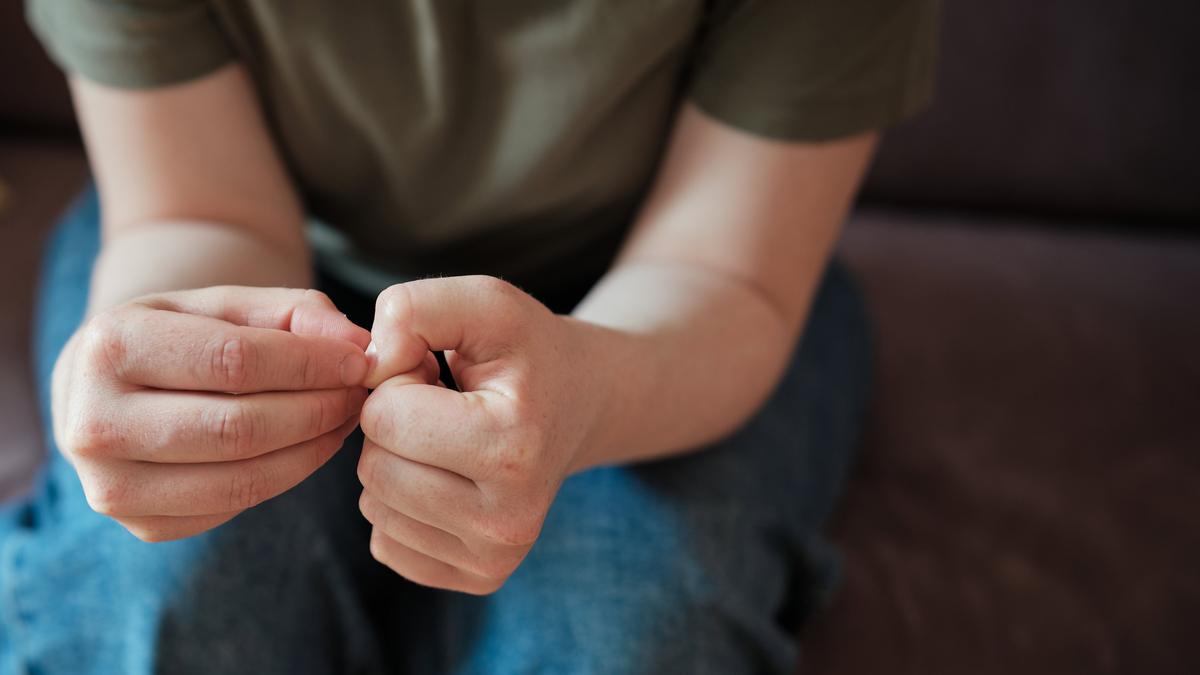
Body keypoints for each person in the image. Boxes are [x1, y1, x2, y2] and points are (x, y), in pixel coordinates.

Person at [1, 1, 938, 673]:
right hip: (235, 233)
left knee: (633, 629)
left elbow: (723, 274)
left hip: (691, 287)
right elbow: (196, 203)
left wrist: (590, 394)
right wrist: (160, 370)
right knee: (151, 600)